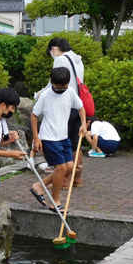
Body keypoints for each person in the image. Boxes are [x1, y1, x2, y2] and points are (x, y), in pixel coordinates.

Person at [29, 68, 87, 212]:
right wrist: (36, 138)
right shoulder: (46, 95)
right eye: (57, 87)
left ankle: (39, 186)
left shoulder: (70, 92)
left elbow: (81, 107)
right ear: (51, 82)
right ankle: (55, 202)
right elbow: (34, 115)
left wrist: (84, 123)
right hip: (49, 138)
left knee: (69, 168)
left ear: (68, 83)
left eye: (63, 87)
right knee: (61, 168)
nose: (60, 90)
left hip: (63, 137)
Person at [40, 37, 86, 189]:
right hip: (77, 104)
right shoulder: (78, 59)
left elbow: (53, 83)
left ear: (54, 48)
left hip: (64, 106)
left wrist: (39, 94)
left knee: (61, 142)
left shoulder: (60, 60)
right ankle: (76, 177)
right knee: (73, 142)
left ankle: (64, 180)